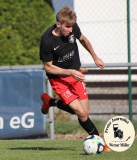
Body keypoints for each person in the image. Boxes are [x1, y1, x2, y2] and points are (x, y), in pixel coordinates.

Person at [39, 6, 105, 136]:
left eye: (72, 26)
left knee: (84, 113)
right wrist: (70, 72)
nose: (71, 30)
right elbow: (48, 67)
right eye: (67, 27)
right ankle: (100, 142)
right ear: (59, 24)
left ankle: (51, 102)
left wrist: (95, 57)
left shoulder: (73, 27)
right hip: (59, 80)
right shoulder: (47, 40)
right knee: (81, 113)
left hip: (76, 75)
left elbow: (83, 40)